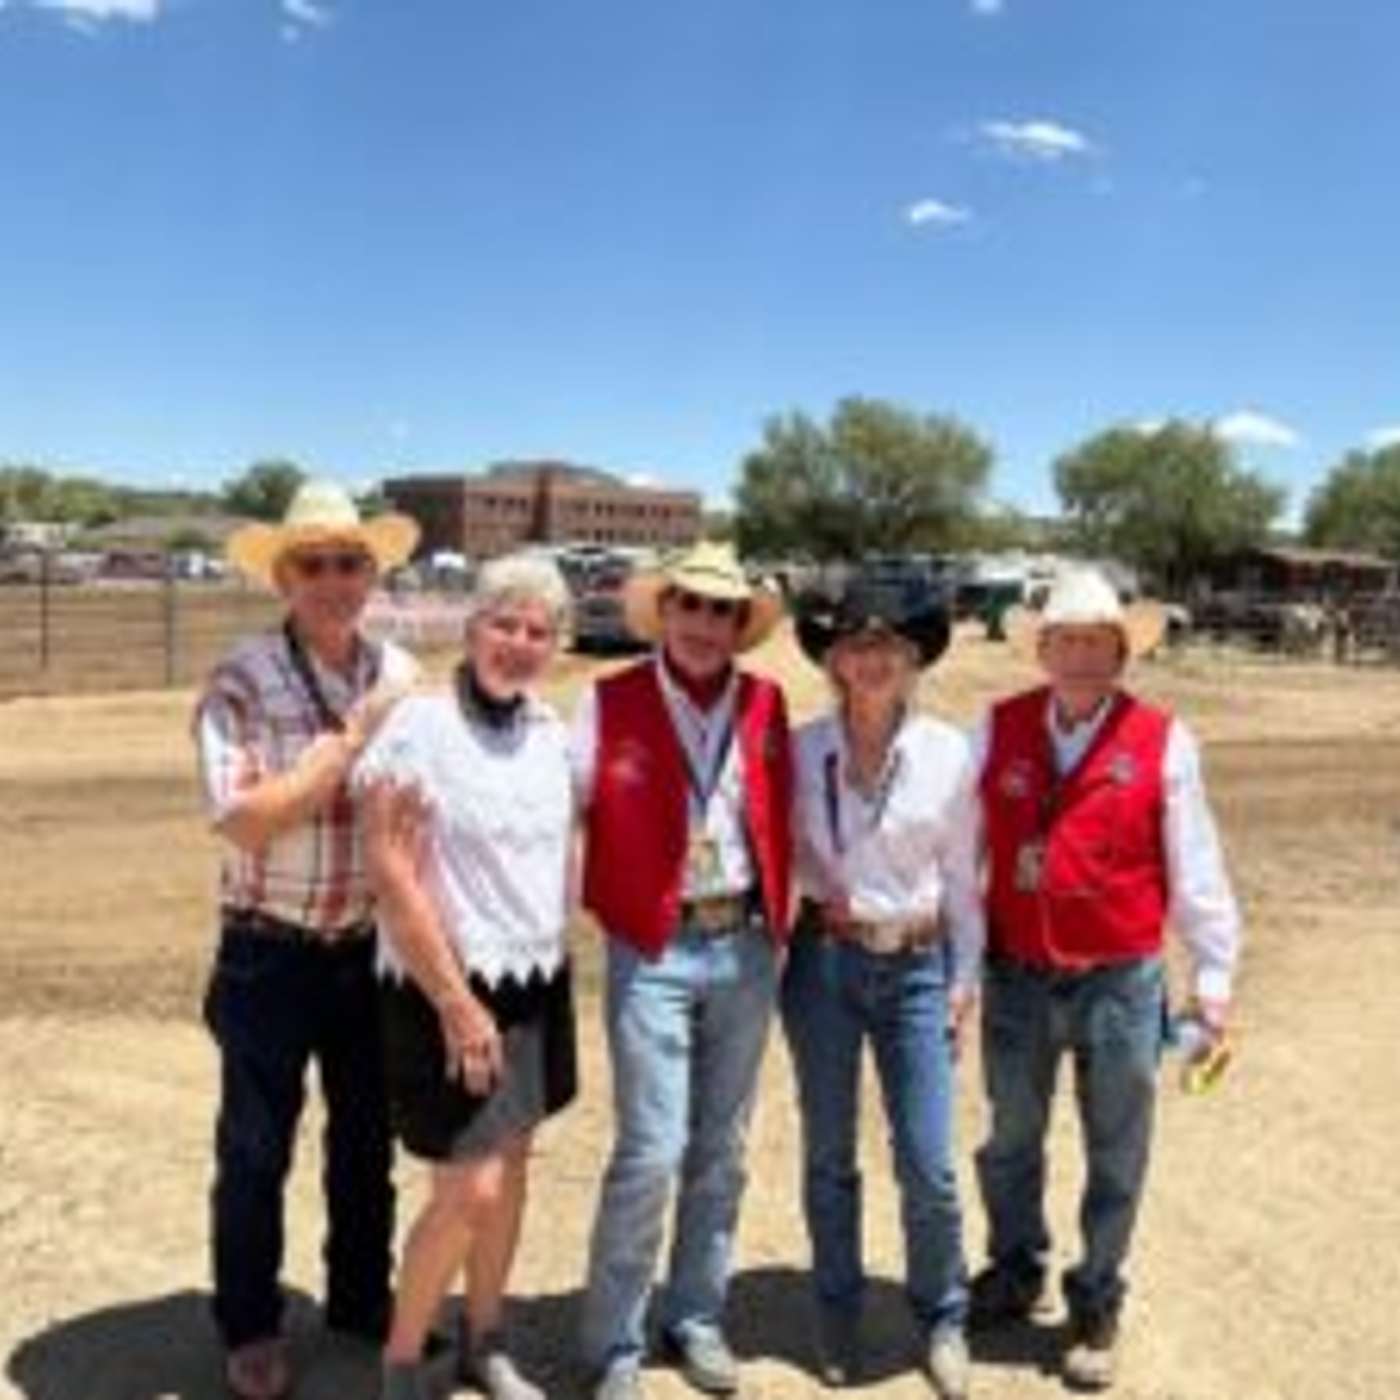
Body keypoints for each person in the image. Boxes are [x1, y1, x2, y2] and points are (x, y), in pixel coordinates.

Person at [968, 566, 1242, 1391]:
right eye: (1068, 641)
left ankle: (1096, 1298)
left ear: (1122, 652)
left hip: (1120, 979)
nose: (1083, 657)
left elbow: (1195, 867)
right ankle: (1017, 1267)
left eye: (1099, 643)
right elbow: (963, 854)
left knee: (1117, 1149)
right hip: (1016, 974)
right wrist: (954, 961)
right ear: (1042, 649)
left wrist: (1215, 976)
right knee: (1011, 1138)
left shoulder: (1165, 740)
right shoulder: (997, 726)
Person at [194, 480, 420, 1400]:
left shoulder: (399, 671)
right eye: (314, 563)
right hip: (270, 951)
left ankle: (361, 1299)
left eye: (350, 562)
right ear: (283, 577)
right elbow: (245, 822)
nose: (334, 579)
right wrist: (350, 740)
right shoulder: (242, 679)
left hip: (366, 947)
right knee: (256, 1147)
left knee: (368, 1142)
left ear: (371, 574)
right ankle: (249, 1324)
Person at [573, 541, 794, 1400]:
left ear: (740, 627)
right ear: (663, 613)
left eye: (722, 611)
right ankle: (614, 1345)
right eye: (690, 605)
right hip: (652, 946)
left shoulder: (767, 704)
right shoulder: (606, 701)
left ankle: (696, 1314)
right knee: (651, 1148)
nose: (705, 624)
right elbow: (550, 807)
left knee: (722, 1149)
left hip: (743, 946)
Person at [355, 553, 578, 1400]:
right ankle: (405, 1361)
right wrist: (454, 1002)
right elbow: (389, 868)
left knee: (512, 1169)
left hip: (533, 979)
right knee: (467, 1187)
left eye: (537, 630)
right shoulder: (419, 726)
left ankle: (487, 1337)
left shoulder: (548, 733)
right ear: (470, 625)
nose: (518, 643)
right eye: (503, 623)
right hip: (441, 985)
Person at [783, 582, 982, 1398]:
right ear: (832, 660)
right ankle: (838, 1309)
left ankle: (942, 1316)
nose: (870, 660)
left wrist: (965, 977)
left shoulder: (949, 752)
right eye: (854, 646)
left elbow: (967, 880)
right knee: (829, 1153)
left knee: (929, 1162)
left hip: (917, 968)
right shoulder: (798, 750)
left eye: (887, 648)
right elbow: (777, 850)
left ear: (911, 662)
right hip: (825, 964)